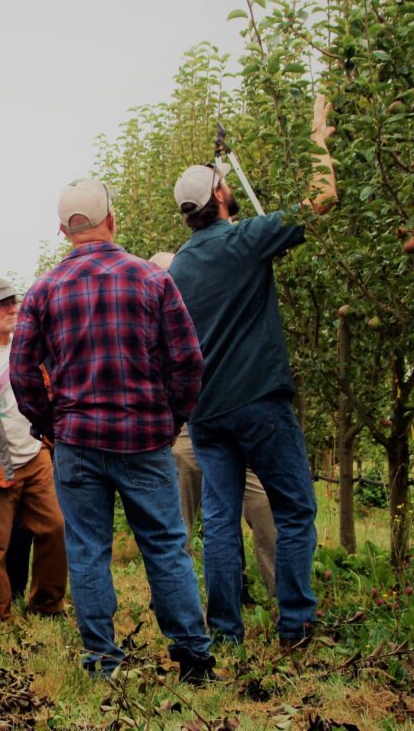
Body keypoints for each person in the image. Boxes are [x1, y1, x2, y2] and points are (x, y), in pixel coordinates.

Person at [10, 177, 215, 683]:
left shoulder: (44, 288)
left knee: (87, 550)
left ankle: (103, 660)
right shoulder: (152, 280)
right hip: (144, 438)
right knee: (167, 545)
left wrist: (48, 424)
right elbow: (188, 360)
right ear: (112, 219)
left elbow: (20, 371)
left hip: (76, 439)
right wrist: (172, 419)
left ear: (63, 230)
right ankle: (192, 657)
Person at [168, 96, 337, 648]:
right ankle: (296, 626)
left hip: (207, 413)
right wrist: (318, 136)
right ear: (219, 195)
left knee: (219, 521)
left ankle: (225, 632)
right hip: (259, 403)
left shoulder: (178, 266)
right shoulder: (246, 240)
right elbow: (323, 198)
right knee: (294, 509)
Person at [149, 252, 277, 600]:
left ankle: (281, 596)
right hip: (185, 426)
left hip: (228, 417)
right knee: (179, 509)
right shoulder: (150, 319)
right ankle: (178, 595)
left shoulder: (208, 303)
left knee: (262, 506)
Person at [0, 278, 66, 621]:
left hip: (35, 454)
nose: (12, 309)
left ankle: (47, 605)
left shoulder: (27, 346)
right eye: (2, 304)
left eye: (13, 302)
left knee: (55, 527)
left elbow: (48, 390)